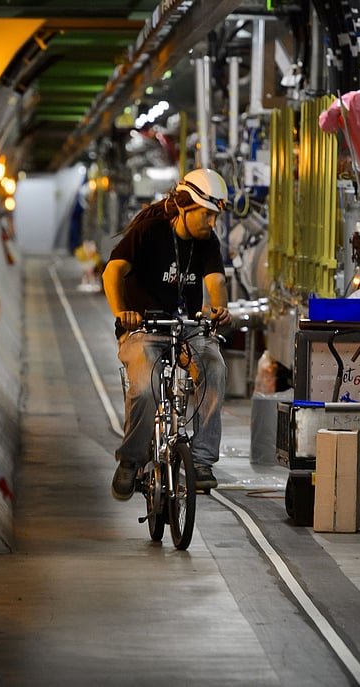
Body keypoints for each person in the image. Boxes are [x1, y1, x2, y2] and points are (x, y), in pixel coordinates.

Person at [102, 168, 232, 500]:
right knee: (144, 388)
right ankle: (131, 461)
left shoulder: (207, 242)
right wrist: (122, 314)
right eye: (207, 215)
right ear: (186, 206)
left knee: (214, 368)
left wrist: (217, 309)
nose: (212, 224)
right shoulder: (150, 231)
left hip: (185, 327)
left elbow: (215, 279)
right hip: (143, 328)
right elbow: (112, 271)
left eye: (216, 217)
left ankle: (201, 461)